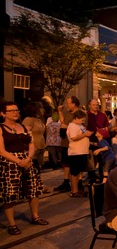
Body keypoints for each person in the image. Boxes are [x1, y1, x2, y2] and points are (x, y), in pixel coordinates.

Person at [0, 102, 48, 235]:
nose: (15, 112)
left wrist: (27, 159)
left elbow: (31, 145)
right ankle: (12, 224)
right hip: (9, 163)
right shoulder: (1, 128)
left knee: (33, 190)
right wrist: (18, 161)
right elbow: (1, 150)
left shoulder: (24, 127)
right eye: (11, 111)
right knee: (9, 194)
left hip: (27, 161)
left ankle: (35, 216)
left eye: (17, 110)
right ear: (3, 114)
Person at [54, 96, 82, 193]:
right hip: (65, 142)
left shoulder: (79, 113)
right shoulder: (69, 113)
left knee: (75, 164)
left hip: (74, 143)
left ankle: (77, 185)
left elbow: (78, 126)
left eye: (68, 103)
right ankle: (66, 182)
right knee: (66, 163)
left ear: (74, 104)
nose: (67, 105)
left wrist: (65, 126)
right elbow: (63, 122)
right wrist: (60, 112)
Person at [67, 110, 93, 197]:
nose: (83, 122)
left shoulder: (79, 125)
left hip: (81, 151)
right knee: (75, 172)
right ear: (76, 118)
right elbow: (73, 138)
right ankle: (74, 191)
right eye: (82, 120)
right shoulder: (72, 126)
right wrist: (85, 134)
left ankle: (76, 190)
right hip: (75, 152)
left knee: (78, 172)